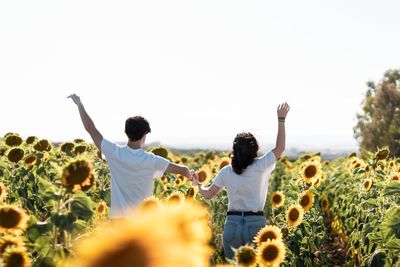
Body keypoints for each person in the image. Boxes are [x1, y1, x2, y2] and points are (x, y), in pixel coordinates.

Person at [68, 93, 195, 219]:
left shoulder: (114, 153)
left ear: (126, 132)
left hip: (119, 220)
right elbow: (183, 170)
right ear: (145, 134)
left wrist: (79, 104)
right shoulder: (151, 160)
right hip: (143, 221)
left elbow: (90, 128)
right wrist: (192, 176)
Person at [193, 102, 290, 259]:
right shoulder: (261, 165)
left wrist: (198, 185)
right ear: (254, 149)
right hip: (255, 225)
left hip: (232, 225)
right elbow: (280, 147)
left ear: (234, 150)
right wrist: (281, 119)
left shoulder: (227, 171)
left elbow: (208, 194)